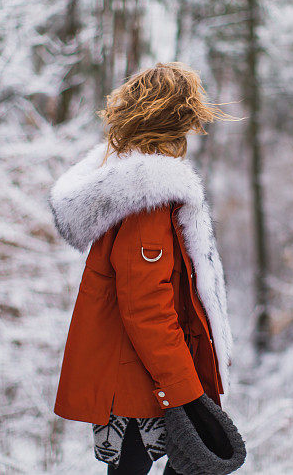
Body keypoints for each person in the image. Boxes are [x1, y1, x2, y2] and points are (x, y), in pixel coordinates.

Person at [48, 62, 235, 474]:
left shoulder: (131, 187)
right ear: (176, 121)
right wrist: (187, 392)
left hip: (145, 376)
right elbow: (146, 306)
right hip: (144, 384)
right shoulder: (147, 200)